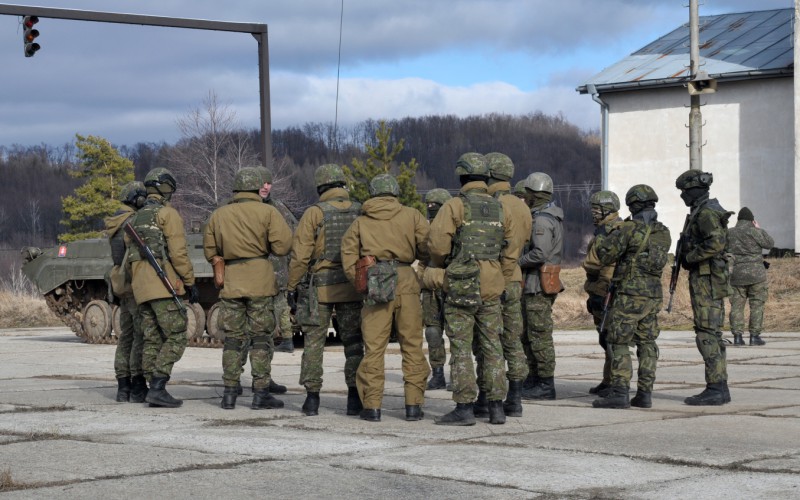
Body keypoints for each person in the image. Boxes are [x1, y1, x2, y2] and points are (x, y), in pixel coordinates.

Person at [429, 153, 513, 426]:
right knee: (492, 347)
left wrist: (450, 267)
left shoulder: (454, 206)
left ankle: (464, 407)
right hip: (492, 283)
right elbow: (509, 251)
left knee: (462, 347)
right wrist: (499, 274)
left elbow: (438, 247)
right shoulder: (501, 207)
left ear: (462, 177)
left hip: (462, 284)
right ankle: (496, 407)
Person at [341, 174, 430, 422]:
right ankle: (413, 406)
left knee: (374, 348)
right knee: (412, 346)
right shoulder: (412, 215)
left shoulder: (360, 222)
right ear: (394, 192)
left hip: (375, 281)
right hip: (406, 278)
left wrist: (363, 284)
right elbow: (428, 248)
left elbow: (348, 259)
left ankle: (372, 407)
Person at [203, 167, 292, 410]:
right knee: (261, 338)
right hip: (260, 281)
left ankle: (230, 392)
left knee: (233, 339)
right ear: (256, 187)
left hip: (231, 281)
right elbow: (283, 246)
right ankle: (260, 392)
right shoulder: (268, 212)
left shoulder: (218, 215)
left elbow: (210, 251)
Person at [287, 164, 365, 417]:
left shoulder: (314, 213)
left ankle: (312, 400)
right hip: (352, 286)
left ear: (321, 186)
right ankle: (354, 398)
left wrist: (291, 286)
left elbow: (300, 256)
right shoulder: (360, 210)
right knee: (353, 345)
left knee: (313, 343)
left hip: (319, 288)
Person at [591, 185, 671, 409]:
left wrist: (600, 237)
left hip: (628, 294)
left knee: (618, 341)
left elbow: (605, 255)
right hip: (652, 294)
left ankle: (620, 391)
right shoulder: (663, 232)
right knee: (647, 342)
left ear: (632, 205)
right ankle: (645, 393)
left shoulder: (629, 229)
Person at [128, 167, 198, 408]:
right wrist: (189, 281)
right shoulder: (167, 214)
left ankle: (151, 387)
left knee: (152, 337)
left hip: (140, 288)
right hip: (162, 285)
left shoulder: (134, 218)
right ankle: (158, 385)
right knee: (177, 333)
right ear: (166, 188)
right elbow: (178, 254)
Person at [477, 152, 531, 418]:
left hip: (493, 277)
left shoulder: (490, 203)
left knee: (487, 341)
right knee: (512, 338)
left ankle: (486, 397)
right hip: (515, 279)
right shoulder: (522, 205)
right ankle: (516, 398)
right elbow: (525, 240)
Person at [675, 169, 734, 406]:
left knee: (707, 334)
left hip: (707, 280)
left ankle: (716, 387)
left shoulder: (706, 213)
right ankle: (718, 385)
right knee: (711, 333)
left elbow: (716, 243)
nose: (683, 196)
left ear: (694, 190)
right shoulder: (703, 210)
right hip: (708, 278)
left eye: (684, 191)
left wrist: (691, 257)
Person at [518, 172, 564, 400]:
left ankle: (546, 383)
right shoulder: (543, 216)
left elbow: (539, 253)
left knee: (539, 335)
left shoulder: (542, 220)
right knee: (528, 334)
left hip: (537, 285)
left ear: (534, 195)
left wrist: (517, 263)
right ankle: (534, 378)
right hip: (533, 284)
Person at [105, 181, 147, 403]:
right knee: (139, 335)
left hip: (119, 281)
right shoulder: (132, 222)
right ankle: (138, 384)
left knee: (126, 336)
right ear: (137, 199)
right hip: (132, 281)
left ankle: (123, 387)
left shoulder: (115, 221)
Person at [582, 190, 623, 396]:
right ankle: (609, 380)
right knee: (606, 338)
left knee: (610, 339)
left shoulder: (608, 231)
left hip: (605, 289)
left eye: (596, 209)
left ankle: (614, 382)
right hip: (605, 289)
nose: (593, 213)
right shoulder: (615, 228)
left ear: (607, 210)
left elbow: (592, 263)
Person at [259, 168, 299, 355]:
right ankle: (286, 338)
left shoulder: (278, 207)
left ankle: (281, 339)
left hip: (274, 266)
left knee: (277, 305)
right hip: (269, 266)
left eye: (269, 183)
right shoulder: (277, 207)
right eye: (262, 183)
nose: (266, 186)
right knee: (278, 306)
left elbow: (293, 233)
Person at [726, 207, 774, 346]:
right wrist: (758, 228)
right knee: (757, 305)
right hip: (756, 275)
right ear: (752, 221)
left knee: (736, 306)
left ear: (739, 220)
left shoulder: (729, 233)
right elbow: (769, 244)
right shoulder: (755, 231)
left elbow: (722, 248)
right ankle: (754, 337)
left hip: (737, 274)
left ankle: (737, 337)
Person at [419, 188, 452, 390]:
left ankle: (458, 373)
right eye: (428, 205)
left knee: (457, 332)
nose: (431, 209)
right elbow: (423, 257)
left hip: (451, 287)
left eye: (435, 206)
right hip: (430, 288)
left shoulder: (456, 226)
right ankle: (437, 373)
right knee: (432, 332)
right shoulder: (426, 228)